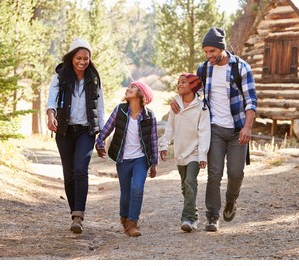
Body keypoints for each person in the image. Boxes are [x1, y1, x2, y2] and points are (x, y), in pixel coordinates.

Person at [171, 27, 257, 232]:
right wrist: (174, 101)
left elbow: (251, 100)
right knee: (214, 174)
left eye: (212, 51)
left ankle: (231, 200)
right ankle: (212, 216)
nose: (209, 56)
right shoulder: (204, 69)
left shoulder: (241, 68)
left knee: (236, 173)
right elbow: (189, 90)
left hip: (237, 129)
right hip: (215, 129)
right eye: (206, 52)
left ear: (222, 49)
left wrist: (247, 126)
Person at [46, 38, 105, 234]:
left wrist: (102, 135)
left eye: (86, 58)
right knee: (69, 174)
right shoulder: (60, 77)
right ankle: (74, 212)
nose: (82, 62)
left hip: (86, 131)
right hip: (64, 130)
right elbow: (52, 100)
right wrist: (50, 115)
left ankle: (78, 215)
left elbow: (100, 108)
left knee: (81, 170)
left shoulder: (94, 78)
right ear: (72, 58)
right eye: (79, 58)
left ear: (90, 59)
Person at [95, 81, 158, 237]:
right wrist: (99, 141)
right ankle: (124, 217)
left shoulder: (149, 116)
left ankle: (132, 222)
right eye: (128, 87)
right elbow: (108, 127)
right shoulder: (120, 110)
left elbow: (153, 141)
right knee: (126, 193)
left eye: (133, 87)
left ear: (141, 95)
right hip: (123, 158)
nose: (128, 89)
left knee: (137, 188)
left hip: (141, 159)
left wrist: (154, 164)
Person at [159, 73, 210, 233]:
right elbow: (170, 127)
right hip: (180, 152)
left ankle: (187, 218)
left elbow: (204, 132)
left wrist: (202, 154)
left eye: (184, 82)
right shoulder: (175, 106)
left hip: (195, 152)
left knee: (190, 182)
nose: (179, 85)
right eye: (178, 82)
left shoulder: (202, 107)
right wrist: (164, 144)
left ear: (193, 86)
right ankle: (194, 216)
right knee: (184, 186)